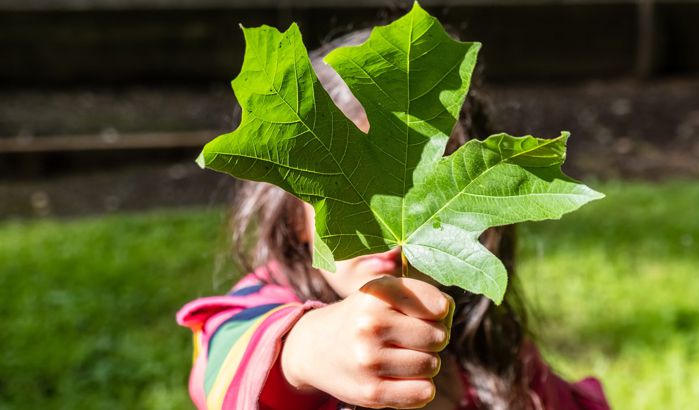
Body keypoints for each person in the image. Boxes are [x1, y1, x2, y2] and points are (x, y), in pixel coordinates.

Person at [177, 30, 610, 410]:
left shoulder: (491, 350)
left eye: (422, 192)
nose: (385, 228)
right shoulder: (263, 305)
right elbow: (226, 360)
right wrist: (310, 350)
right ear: (295, 220)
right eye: (352, 193)